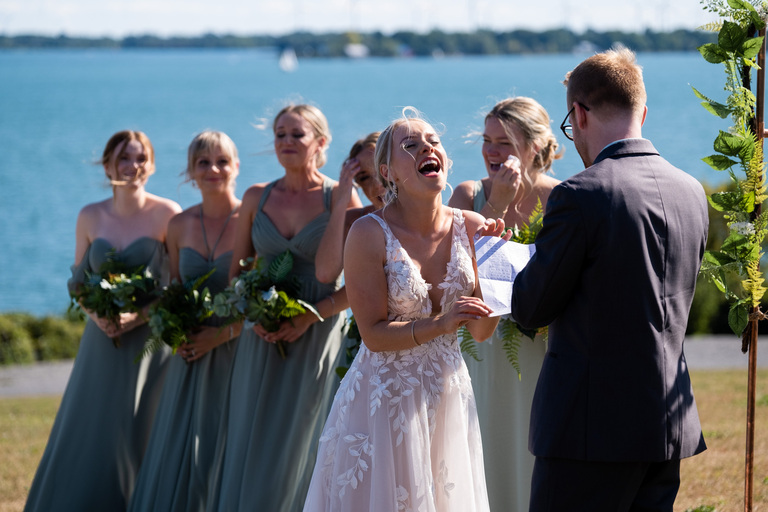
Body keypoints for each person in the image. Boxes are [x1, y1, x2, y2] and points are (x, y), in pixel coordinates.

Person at [510, 47, 708, 511]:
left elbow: (531, 308)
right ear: (642, 110)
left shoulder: (580, 195)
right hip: (666, 422)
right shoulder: (691, 191)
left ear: (578, 114)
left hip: (589, 431)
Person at [303, 108, 500, 512]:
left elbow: (481, 332)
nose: (428, 146)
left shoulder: (475, 226)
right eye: (411, 145)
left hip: (448, 395)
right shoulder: (367, 233)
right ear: (388, 172)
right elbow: (373, 335)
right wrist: (442, 322)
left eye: (433, 140)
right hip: (383, 398)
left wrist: (500, 271)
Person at [211, 104, 360, 512]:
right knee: (251, 437)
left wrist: (309, 316)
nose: (287, 142)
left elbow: (363, 283)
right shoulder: (256, 196)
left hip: (318, 335)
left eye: (297, 134)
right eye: (280, 134)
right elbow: (236, 272)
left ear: (321, 142)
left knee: (303, 442)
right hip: (259, 337)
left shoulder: (340, 197)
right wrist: (254, 314)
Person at [25, 130, 181, 511]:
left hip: (148, 344)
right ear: (108, 164)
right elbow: (77, 282)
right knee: (89, 427)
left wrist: (137, 316)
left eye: (140, 157)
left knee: (137, 428)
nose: (132, 166)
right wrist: (99, 315)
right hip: (100, 339)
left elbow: (177, 286)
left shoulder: (168, 214)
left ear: (152, 164)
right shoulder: (90, 215)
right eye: (124, 158)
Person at [448, 96, 562, 512]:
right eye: (486, 140)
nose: (491, 152)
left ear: (534, 147)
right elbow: (451, 273)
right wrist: (495, 204)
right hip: (479, 351)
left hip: (538, 353)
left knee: (531, 456)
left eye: (505, 143)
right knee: (480, 452)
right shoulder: (467, 195)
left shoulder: (562, 199)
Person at [127, 131, 243, 512]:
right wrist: (175, 332)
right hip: (190, 351)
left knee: (228, 440)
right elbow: (173, 290)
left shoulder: (250, 220)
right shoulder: (178, 225)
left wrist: (220, 335)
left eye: (222, 161)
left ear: (236, 167)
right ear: (190, 171)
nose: (213, 169)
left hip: (237, 350)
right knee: (181, 439)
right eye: (203, 162)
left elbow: (257, 298)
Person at [315, 131, 385, 283]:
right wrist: (341, 200)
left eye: (383, 169)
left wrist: (321, 308)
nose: (378, 184)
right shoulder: (357, 222)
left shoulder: (435, 217)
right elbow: (324, 274)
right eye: (365, 178)